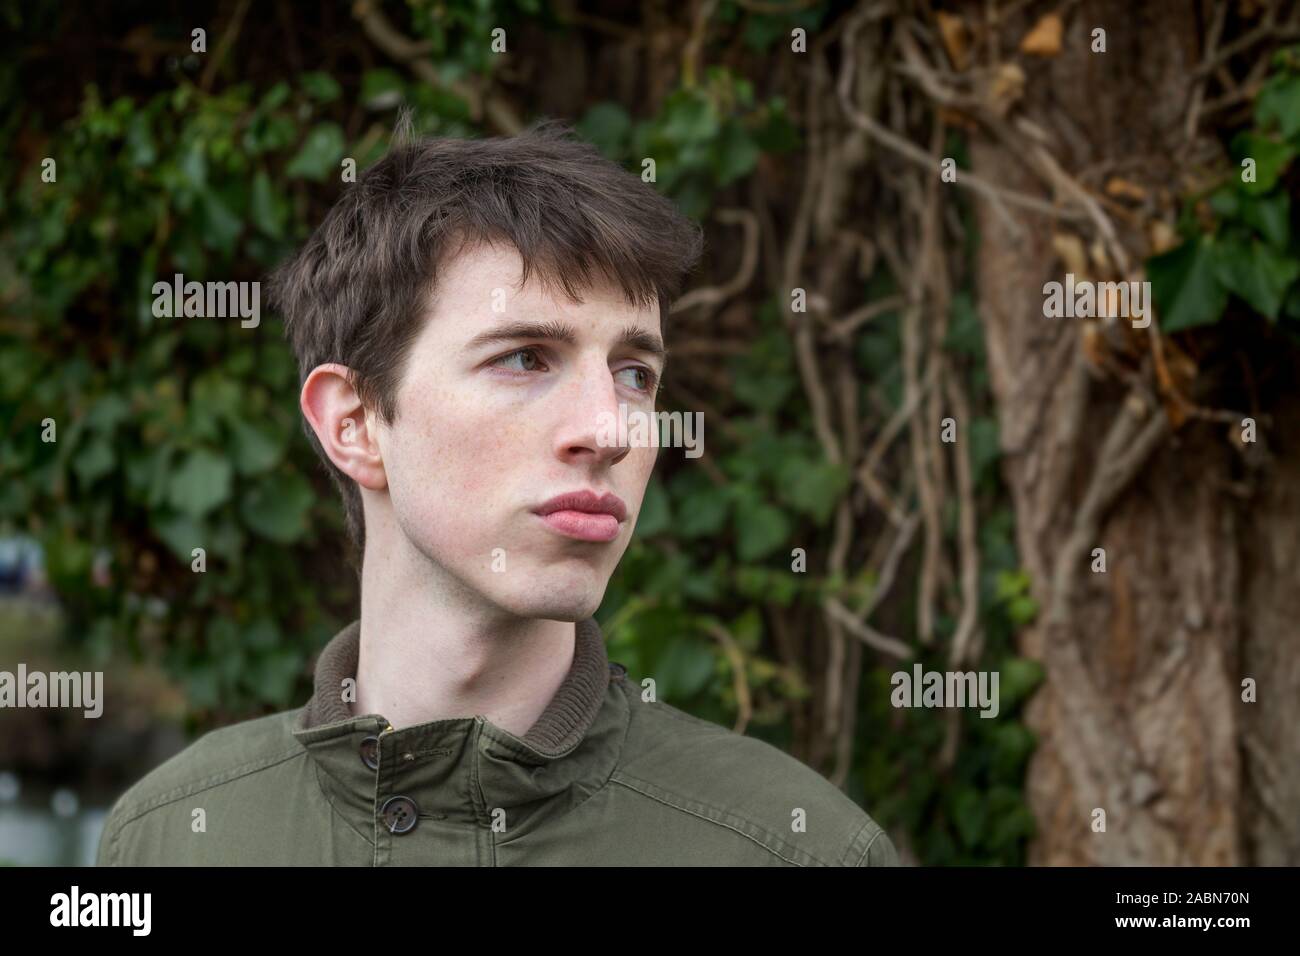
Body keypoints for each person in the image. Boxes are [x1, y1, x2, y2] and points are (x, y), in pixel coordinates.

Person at [95, 117, 898, 866]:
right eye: (524, 358)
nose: (611, 429)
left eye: (634, 374)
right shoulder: (168, 837)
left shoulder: (796, 849)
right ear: (355, 423)